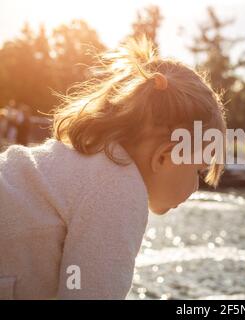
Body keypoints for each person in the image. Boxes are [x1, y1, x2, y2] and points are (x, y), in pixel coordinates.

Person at [0, 37, 226, 299]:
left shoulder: (83, 159)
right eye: (198, 170)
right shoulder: (119, 190)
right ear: (166, 156)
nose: (197, 187)